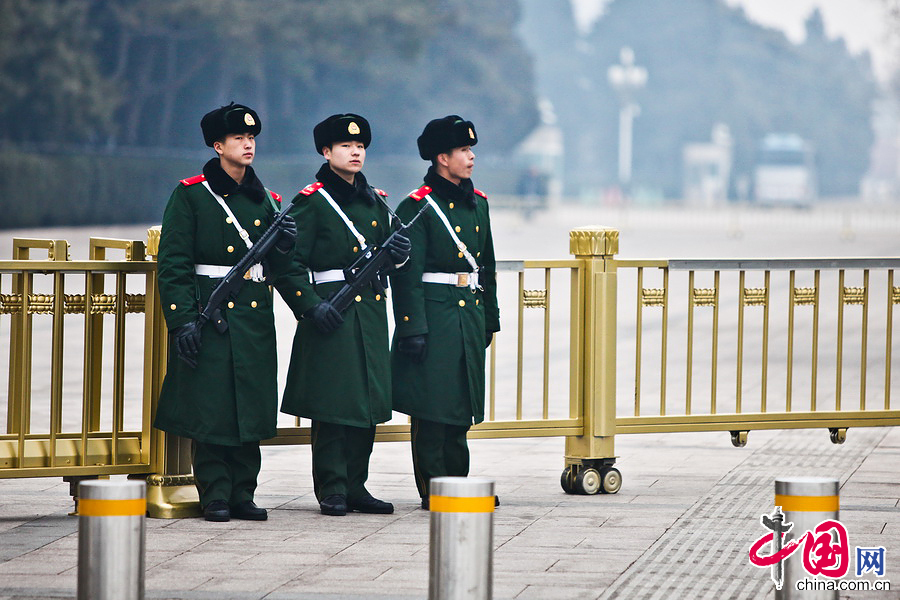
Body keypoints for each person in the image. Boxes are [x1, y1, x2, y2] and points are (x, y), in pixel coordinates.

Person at [154, 102, 297, 522]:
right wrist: (182, 320)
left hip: (252, 317)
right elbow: (174, 262)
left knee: (249, 404)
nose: (248, 144)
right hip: (209, 312)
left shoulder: (267, 199)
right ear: (218, 145)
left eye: (251, 138)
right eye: (238, 138)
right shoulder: (192, 194)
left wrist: (287, 246)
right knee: (212, 405)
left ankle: (243, 492)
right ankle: (214, 492)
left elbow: (279, 266)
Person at [276, 113, 411, 516]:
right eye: (346, 146)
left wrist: (399, 257)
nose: (355, 152)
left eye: (361, 146)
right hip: (332, 308)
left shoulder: (375, 200)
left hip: (368, 310)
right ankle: (331, 487)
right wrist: (309, 306)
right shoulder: (312, 202)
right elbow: (288, 263)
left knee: (365, 402)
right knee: (335, 403)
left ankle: (357, 485)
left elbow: (387, 254)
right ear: (326, 151)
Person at [390, 115, 500, 510]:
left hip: (466, 315)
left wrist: (490, 318)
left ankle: (458, 483)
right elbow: (406, 274)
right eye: (463, 151)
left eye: (471, 150)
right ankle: (435, 486)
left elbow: (485, 265)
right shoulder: (416, 206)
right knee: (432, 408)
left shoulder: (478, 204)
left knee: (461, 406)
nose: (471, 158)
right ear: (441, 157)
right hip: (433, 316)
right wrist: (411, 328)